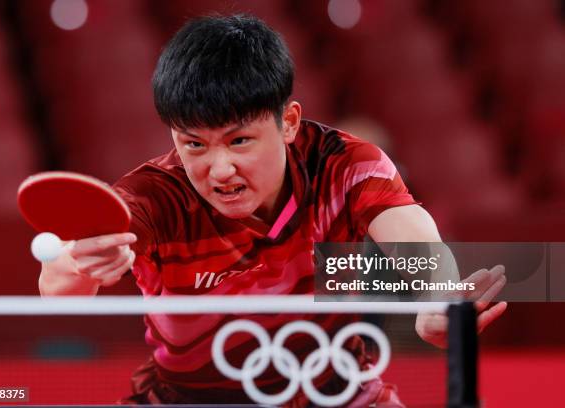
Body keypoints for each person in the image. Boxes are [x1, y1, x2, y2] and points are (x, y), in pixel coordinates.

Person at [38, 14, 507, 407]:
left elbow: (414, 234)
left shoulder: (343, 163)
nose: (219, 169)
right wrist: (80, 263)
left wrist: (436, 299)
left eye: (239, 140)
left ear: (288, 122)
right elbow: (60, 283)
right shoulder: (155, 194)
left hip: (337, 395)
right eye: (193, 144)